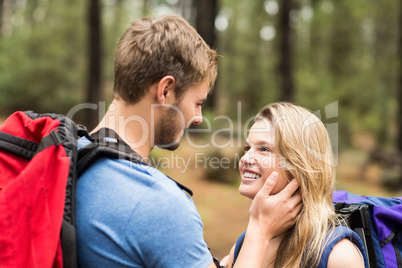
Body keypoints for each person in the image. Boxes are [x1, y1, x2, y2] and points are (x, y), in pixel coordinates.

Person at [75, 15, 302, 268]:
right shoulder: (158, 203)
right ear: (166, 91)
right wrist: (260, 230)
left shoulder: (70, 157)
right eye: (198, 103)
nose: (198, 118)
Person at [221, 102, 369, 268]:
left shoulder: (339, 257)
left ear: (299, 165)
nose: (245, 158)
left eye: (264, 149)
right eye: (247, 148)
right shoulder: (244, 245)